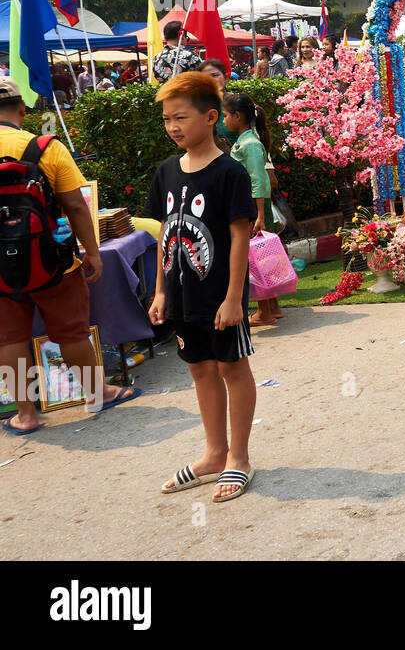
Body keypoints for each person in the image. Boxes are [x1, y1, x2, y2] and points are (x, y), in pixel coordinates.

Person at [0, 79, 141, 436]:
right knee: (71, 332)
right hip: (54, 262)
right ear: (21, 108)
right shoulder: (46, 147)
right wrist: (92, 253)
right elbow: (76, 205)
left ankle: (26, 414)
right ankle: (97, 394)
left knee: (9, 338)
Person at [146, 72, 257, 503]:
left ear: (211, 117)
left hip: (220, 297)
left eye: (181, 117)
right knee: (199, 369)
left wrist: (233, 298)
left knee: (232, 368)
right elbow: (165, 235)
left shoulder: (230, 173)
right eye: (167, 119)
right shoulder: (166, 172)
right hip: (181, 296)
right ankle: (214, 454)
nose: (173, 126)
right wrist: (159, 291)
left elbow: (239, 238)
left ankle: (239, 458)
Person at [223, 91, 282, 327]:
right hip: (255, 206)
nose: (224, 121)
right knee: (264, 257)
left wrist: (258, 215)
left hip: (254, 207)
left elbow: (259, 180)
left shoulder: (249, 144)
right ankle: (273, 307)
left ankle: (264, 311)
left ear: (237, 116)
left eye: (226, 116)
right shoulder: (246, 141)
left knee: (256, 259)